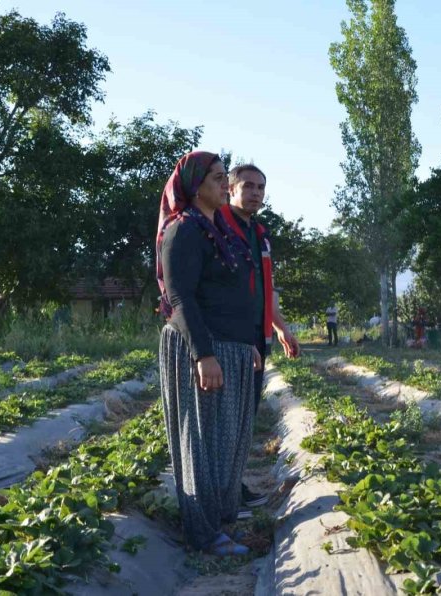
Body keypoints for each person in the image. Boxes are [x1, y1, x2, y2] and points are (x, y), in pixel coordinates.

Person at [156, 151, 260, 556]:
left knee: (227, 440)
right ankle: (202, 533)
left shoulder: (220, 230)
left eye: (222, 176)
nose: (223, 183)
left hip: (231, 346)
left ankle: (220, 519)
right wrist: (203, 355)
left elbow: (232, 293)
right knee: (201, 442)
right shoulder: (183, 230)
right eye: (217, 177)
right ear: (195, 184)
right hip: (202, 348)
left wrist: (247, 341)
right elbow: (181, 299)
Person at [219, 163, 300, 513]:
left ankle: (234, 486)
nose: (255, 193)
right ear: (230, 189)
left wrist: (280, 326)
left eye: (260, 188)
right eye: (248, 186)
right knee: (228, 416)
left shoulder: (260, 234)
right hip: (230, 337)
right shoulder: (218, 227)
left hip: (257, 335)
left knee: (245, 415)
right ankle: (222, 492)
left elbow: (264, 290)